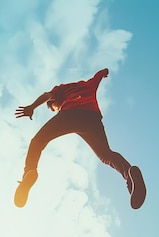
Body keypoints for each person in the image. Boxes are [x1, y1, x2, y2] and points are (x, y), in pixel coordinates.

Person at [14, 68, 146, 209]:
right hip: (93, 120)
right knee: (106, 155)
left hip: (71, 114)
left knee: (38, 141)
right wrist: (104, 72)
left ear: (54, 103)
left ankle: (29, 172)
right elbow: (98, 76)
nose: (55, 110)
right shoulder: (88, 84)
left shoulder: (61, 90)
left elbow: (47, 95)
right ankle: (130, 176)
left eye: (53, 108)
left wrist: (32, 106)